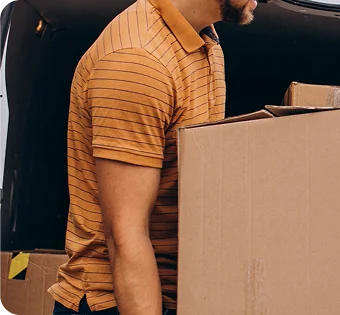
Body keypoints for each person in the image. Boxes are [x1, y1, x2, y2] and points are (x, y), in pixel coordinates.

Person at [48, 0, 256, 314]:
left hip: (177, 294)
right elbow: (126, 236)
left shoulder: (204, 39)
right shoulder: (139, 62)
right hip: (121, 302)